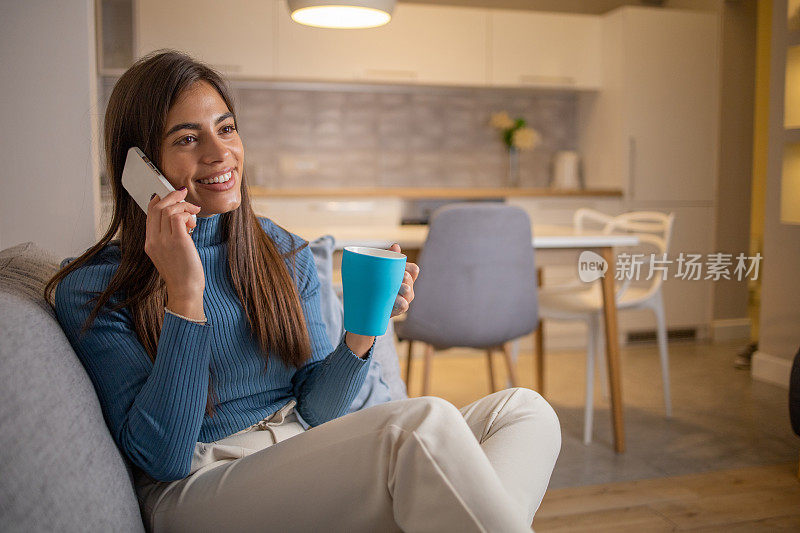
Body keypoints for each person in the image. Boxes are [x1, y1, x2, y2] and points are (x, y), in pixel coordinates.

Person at [45, 50, 561, 532]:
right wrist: (184, 291)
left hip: (303, 448)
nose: (219, 152)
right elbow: (164, 456)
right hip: (197, 483)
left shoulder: (282, 251)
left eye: (226, 129)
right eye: (187, 138)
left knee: (522, 411)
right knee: (418, 425)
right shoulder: (93, 288)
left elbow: (318, 411)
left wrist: (363, 332)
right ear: (140, 169)